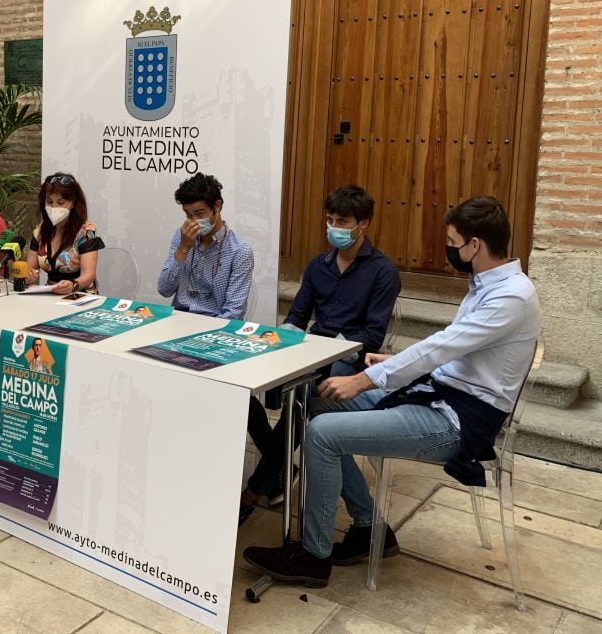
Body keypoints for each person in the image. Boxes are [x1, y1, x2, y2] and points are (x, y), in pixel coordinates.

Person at [243, 196, 541, 589]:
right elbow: (456, 351)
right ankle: (368, 526)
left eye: (452, 243)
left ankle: (313, 558)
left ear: (476, 246)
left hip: (457, 421)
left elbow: (443, 347)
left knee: (323, 433)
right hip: (441, 395)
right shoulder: (488, 284)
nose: (448, 249)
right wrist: (394, 361)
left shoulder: (511, 297)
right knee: (316, 405)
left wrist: (365, 379)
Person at [240, 185, 400, 524]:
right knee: (252, 386)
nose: (334, 228)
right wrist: (287, 341)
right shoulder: (318, 266)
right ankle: (278, 477)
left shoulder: (383, 272)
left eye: (342, 221)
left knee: (301, 398)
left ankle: (256, 489)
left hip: (350, 362)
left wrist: (325, 348)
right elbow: (298, 317)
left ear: (363, 224)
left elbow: (372, 337)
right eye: (330, 220)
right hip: (312, 355)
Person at [157, 173, 253, 320]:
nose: (193, 221)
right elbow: (164, 290)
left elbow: (234, 312)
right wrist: (183, 249)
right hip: (178, 319)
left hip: (215, 324)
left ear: (217, 206)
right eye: (188, 214)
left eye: (199, 213)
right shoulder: (182, 236)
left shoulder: (239, 251)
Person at [26, 173, 104, 295]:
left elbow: (89, 275)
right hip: (50, 295)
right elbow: (30, 268)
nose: (54, 207)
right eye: (49, 202)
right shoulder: (40, 231)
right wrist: (29, 275)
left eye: (61, 202)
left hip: (81, 295)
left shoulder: (86, 232)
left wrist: (73, 285)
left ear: (73, 202)